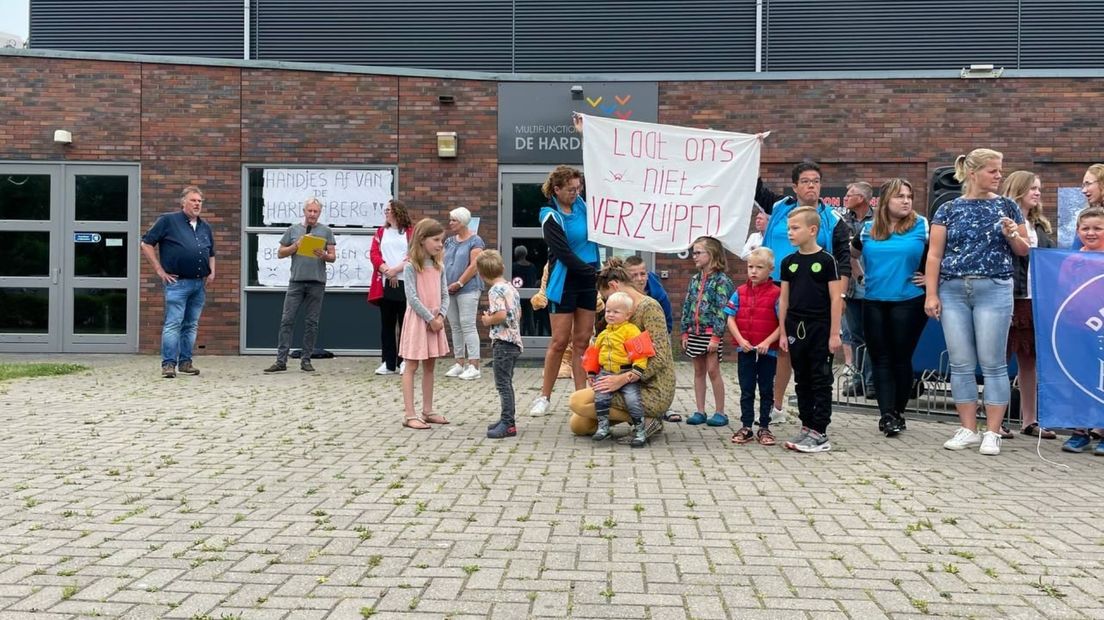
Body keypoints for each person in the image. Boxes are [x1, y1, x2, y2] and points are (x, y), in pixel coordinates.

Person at [925, 149, 1029, 456]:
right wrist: (931, 293)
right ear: (973, 173)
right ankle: (968, 428)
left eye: (999, 170)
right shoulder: (947, 208)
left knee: (993, 361)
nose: (999, 176)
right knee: (960, 362)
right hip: (953, 289)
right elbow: (934, 254)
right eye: (992, 171)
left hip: (994, 288)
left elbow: (1024, 250)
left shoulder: (1007, 206)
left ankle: (993, 432)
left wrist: (1012, 234)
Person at [754, 161, 852, 423]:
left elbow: (843, 261)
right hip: (772, 287)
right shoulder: (779, 207)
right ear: (795, 186)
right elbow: (753, 187)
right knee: (768, 347)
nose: (812, 185)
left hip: (810, 293)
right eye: (806, 181)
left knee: (789, 349)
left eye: (816, 181)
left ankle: (780, 408)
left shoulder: (832, 219)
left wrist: (840, 298)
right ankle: (767, 405)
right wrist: (754, 151)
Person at [851, 179, 929, 438]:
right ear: (885, 201)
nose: (906, 200)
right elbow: (849, 254)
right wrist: (859, 276)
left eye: (909, 196)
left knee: (900, 358)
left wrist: (931, 278)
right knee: (879, 358)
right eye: (900, 196)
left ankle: (898, 411)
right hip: (873, 301)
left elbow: (940, 255)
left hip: (909, 300)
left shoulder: (921, 225)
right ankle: (886, 415)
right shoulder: (868, 229)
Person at [568, 259, 676, 436]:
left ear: (613, 286)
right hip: (621, 381)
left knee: (577, 401)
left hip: (652, 388)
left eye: (605, 297)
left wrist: (623, 378)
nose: (606, 305)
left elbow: (660, 357)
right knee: (579, 425)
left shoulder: (649, 308)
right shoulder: (617, 313)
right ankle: (640, 418)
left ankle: (648, 418)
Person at [529, 165, 600, 417]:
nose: (576, 192)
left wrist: (585, 134)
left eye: (578, 188)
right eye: (570, 189)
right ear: (556, 190)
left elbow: (597, 162)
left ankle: (580, 399)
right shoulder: (550, 215)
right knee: (559, 342)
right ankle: (544, 397)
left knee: (582, 341)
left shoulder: (582, 205)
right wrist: (590, 271)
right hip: (565, 280)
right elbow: (564, 254)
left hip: (587, 280)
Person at [778, 207, 844, 453]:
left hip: (820, 327)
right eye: (788, 228)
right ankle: (806, 426)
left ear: (812, 230)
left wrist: (834, 333)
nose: (790, 233)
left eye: (795, 228)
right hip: (796, 327)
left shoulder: (827, 261)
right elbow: (784, 299)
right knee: (802, 379)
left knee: (820, 379)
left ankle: (820, 432)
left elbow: (836, 299)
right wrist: (783, 332)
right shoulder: (789, 262)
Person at [1000, 171, 1056, 440]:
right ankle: (995, 420)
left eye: (1039, 189)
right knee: (999, 359)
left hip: (1035, 298)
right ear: (1018, 189)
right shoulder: (1003, 221)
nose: (1037, 193)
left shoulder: (1041, 225)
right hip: (1009, 296)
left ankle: (1029, 420)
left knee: (1030, 361)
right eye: (1032, 188)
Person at [140, 185, 215, 379]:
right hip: (177, 283)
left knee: (191, 325)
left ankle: (186, 362)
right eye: (193, 200)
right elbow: (146, 243)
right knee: (173, 323)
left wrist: (212, 271)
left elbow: (211, 252)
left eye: (200, 201)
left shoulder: (205, 226)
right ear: (183, 202)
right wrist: (159, 269)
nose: (197, 204)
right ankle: (168, 364)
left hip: (199, 284)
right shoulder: (168, 221)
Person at [263, 198, 336, 373]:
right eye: (309, 211)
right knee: (287, 320)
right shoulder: (293, 230)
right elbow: (280, 253)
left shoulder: (326, 231)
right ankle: (281, 361)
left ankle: (306, 360)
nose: (312, 214)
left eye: (315, 211)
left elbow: (333, 256)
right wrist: (296, 245)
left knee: (312, 322)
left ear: (319, 213)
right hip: (296, 282)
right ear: (304, 211)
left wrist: (324, 255)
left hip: (316, 283)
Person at [724, 247, 781, 446]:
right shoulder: (739, 292)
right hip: (745, 349)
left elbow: (784, 322)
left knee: (766, 389)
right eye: (750, 267)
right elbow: (730, 317)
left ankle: (764, 426)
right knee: (746, 388)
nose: (753, 271)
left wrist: (767, 342)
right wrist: (740, 340)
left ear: (770, 270)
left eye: (759, 267)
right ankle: (746, 426)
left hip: (768, 351)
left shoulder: (777, 294)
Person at [399, 218, 451, 430]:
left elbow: (445, 295)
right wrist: (430, 319)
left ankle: (427, 410)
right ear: (422, 239)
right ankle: (409, 414)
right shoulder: (411, 266)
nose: (440, 244)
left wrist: (440, 317)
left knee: (430, 365)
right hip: (418, 321)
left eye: (442, 240)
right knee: (411, 366)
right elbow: (412, 297)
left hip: (435, 322)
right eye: (436, 240)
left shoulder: (439, 265)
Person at [1061, 206, 1104, 454]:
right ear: (1077, 231)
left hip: (1101, 329)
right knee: (1079, 378)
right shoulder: (1071, 260)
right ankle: (1079, 431)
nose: (1090, 233)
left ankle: (1101, 430)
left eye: (1097, 228)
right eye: (1085, 228)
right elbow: (1063, 295)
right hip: (1078, 329)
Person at [679, 236, 735, 427]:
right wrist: (685, 331)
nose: (694, 256)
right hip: (694, 331)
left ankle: (720, 412)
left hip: (711, 333)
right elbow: (687, 305)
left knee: (713, 370)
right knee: (698, 370)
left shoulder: (722, 281)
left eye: (698, 252)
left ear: (711, 254)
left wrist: (716, 336)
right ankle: (700, 410)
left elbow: (722, 311)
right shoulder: (695, 280)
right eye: (693, 252)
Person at [587, 291, 650, 448]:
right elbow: (594, 353)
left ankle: (640, 429)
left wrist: (637, 371)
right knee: (600, 396)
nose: (611, 315)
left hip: (626, 372)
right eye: (608, 311)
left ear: (627, 315)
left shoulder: (631, 330)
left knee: (632, 400)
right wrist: (591, 371)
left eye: (616, 312)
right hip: (606, 371)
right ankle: (603, 426)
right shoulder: (603, 333)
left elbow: (641, 352)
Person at [477, 250, 523, 439]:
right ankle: (506, 418)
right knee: (507, 382)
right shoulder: (511, 288)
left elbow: (501, 315)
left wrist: (488, 320)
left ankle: (508, 423)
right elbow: (517, 314)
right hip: (514, 341)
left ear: (481, 274)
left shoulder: (495, 291)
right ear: (502, 267)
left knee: (503, 384)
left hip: (503, 343)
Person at [370, 199, 413, 376]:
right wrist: (388, 271)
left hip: (405, 281)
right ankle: (388, 362)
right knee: (387, 324)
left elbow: (413, 255)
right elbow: (374, 254)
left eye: (388, 210)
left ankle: (404, 361)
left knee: (405, 323)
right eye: (385, 210)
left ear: (397, 211)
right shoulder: (381, 232)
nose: (386, 212)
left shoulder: (411, 232)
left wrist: (396, 270)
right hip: (385, 281)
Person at [840, 182, 876, 398]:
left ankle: (872, 382)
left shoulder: (879, 220)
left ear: (862, 198)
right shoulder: (842, 221)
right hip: (851, 287)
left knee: (872, 336)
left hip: (874, 285)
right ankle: (859, 379)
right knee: (855, 336)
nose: (845, 197)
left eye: (850, 194)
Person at [442, 207, 486, 381]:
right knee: (455, 326)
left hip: (468, 288)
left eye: (454, 220)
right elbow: (442, 261)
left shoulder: (476, 241)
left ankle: (474, 365)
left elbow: (475, 265)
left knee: (467, 324)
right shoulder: (449, 241)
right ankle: (459, 363)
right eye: (451, 220)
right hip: (448, 289)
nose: (451, 223)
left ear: (463, 221)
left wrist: (460, 282)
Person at [623, 255, 673, 333]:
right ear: (625, 278)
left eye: (642, 274)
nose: (639, 279)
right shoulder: (621, 295)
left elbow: (668, 325)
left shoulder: (659, 296)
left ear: (647, 275)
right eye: (634, 275)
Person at [1071, 164, 1104, 250]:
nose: (1084, 190)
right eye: (1083, 185)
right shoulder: (1085, 216)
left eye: (1088, 184)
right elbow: (1073, 254)